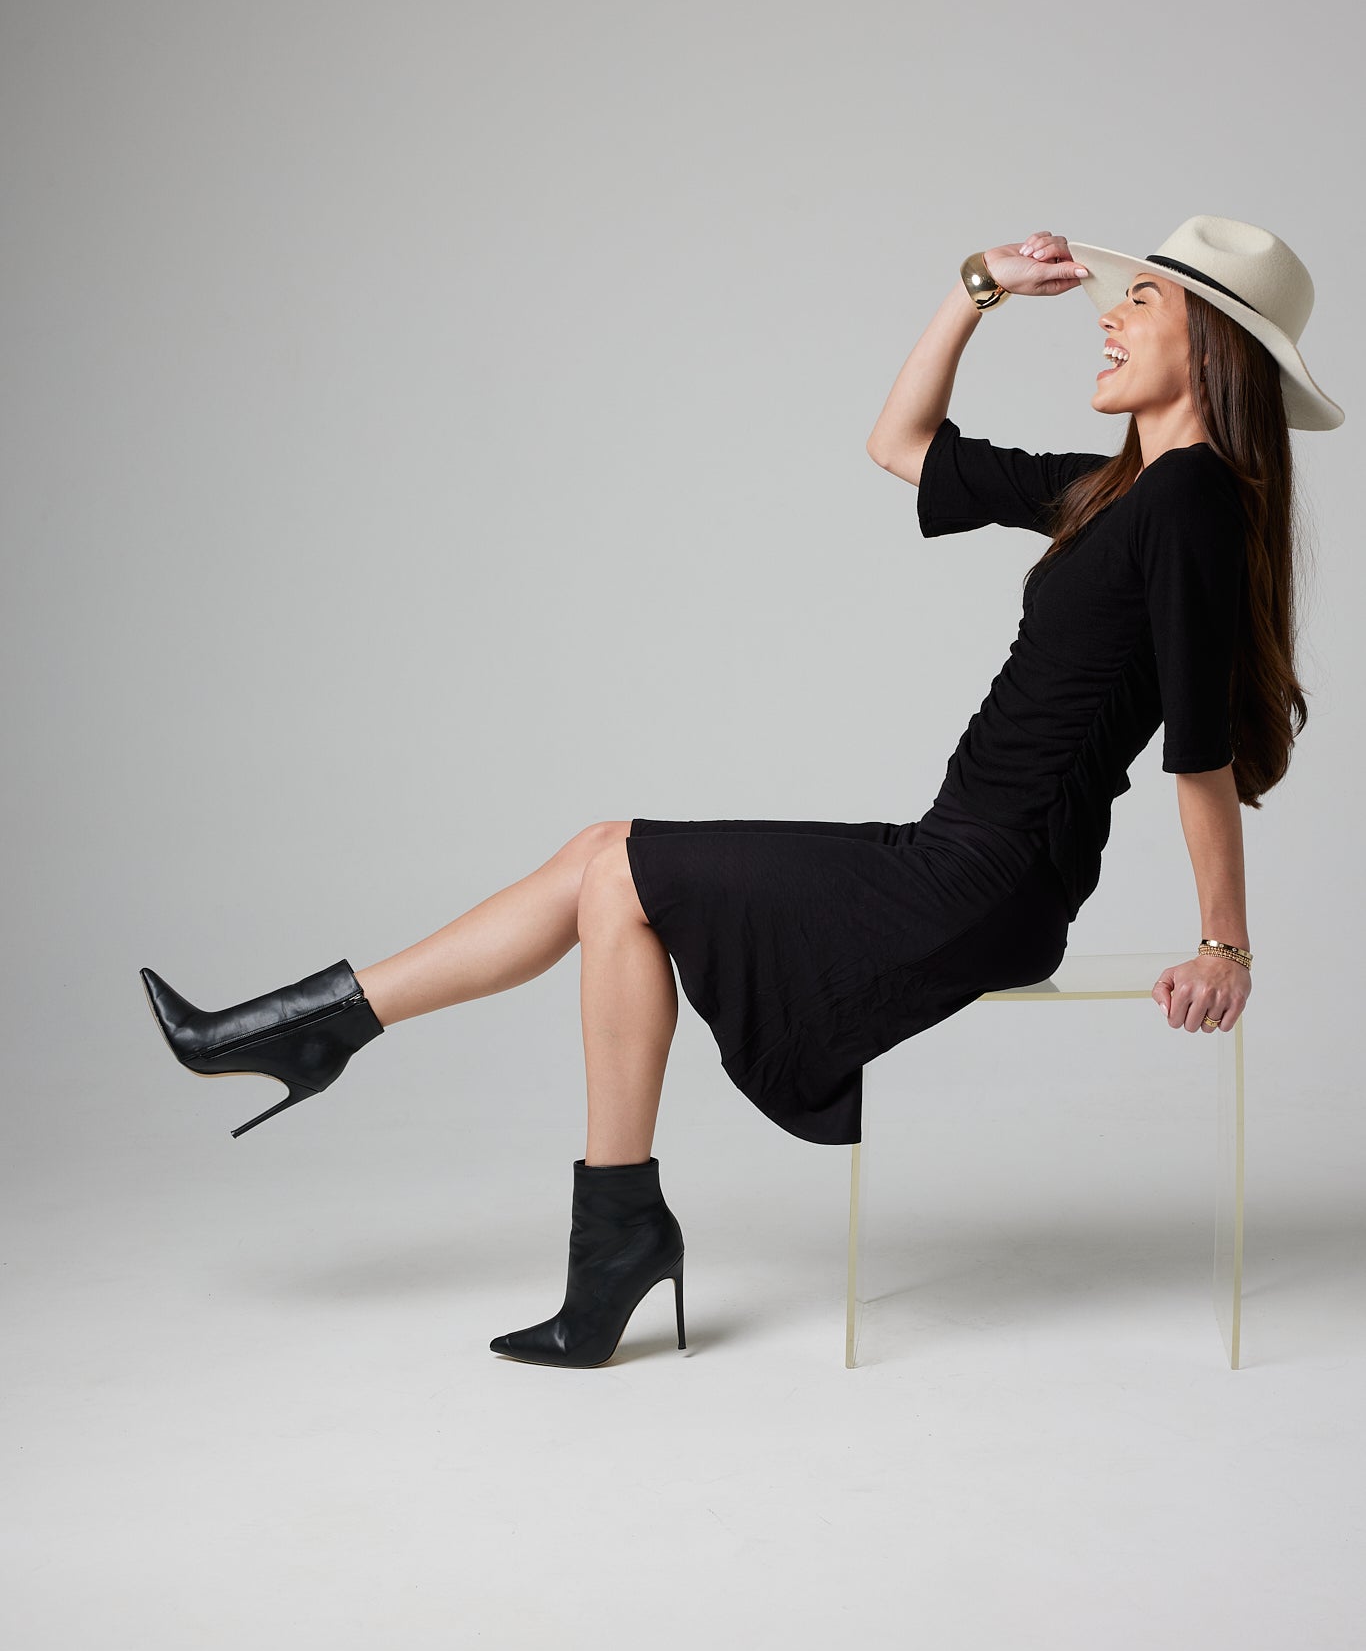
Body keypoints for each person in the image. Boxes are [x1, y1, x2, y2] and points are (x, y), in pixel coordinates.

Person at [140, 213, 1343, 1370]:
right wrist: (973, 288)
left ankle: (325, 1040)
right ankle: (594, 1227)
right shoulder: (1112, 493)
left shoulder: (1190, 503)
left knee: (616, 859)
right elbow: (900, 443)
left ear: (1212, 347)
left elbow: (1197, 752)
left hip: (985, 880)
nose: (1108, 318)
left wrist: (1222, 943)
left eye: (1142, 300)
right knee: (609, 872)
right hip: (950, 850)